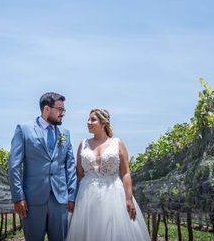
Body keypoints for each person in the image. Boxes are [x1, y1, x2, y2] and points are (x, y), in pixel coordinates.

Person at [65, 108, 150, 241]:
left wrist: (128, 198)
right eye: (88, 119)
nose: (88, 122)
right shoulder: (83, 144)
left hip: (114, 193)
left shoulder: (117, 143)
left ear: (103, 123)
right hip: (86, 196)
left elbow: (126, 173)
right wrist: (73, 198)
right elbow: (79, 175)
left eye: (93, 119)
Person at [8, 92, 77, 241]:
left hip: (60, 201)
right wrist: (17, 197)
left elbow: (70, 166)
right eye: (59, 109)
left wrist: (71, 195)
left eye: (63, 110)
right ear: (47, 109)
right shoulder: (23, 129)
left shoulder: (66, 133)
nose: (62, 114)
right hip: (32, 201)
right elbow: (14, 166)